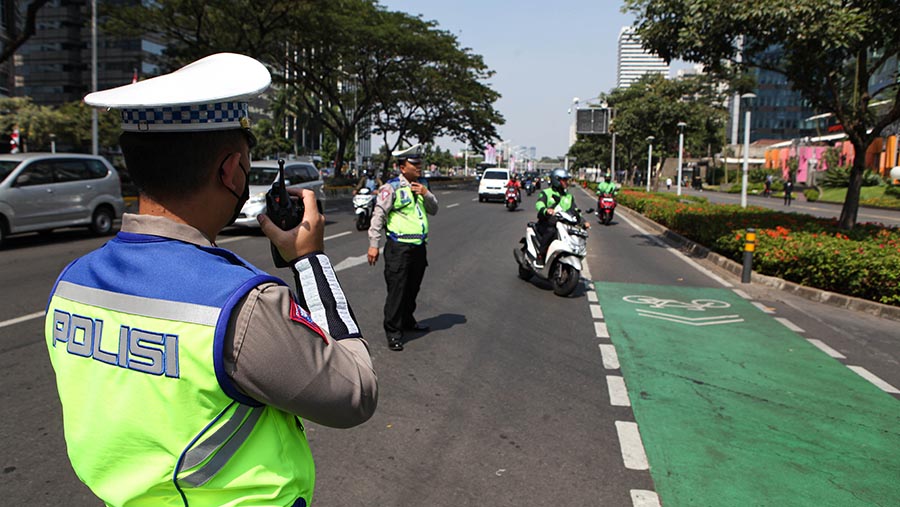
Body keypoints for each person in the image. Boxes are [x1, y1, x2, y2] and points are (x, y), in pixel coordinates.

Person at [45, 53, 377, 507]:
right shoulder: (244, 305)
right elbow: (355, 392)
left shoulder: (71, 283)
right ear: (231, 171)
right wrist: (309, 261)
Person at [367, 144, 439, 351]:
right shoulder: (391, 188)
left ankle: (408, 320)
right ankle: (393, 332)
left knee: (412, 288)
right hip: (398, 248)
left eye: (420, 163)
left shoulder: (422, 185)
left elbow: (434, 210)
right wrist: (374, 245)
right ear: (402, 167)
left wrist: (426, 194)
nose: (419, 167)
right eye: (414, 164)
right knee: (397, 291)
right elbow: (378, 216)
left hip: (418, 247)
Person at [535, 168, 587, 265]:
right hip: (546, 223)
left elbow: (575, 210)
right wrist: (546, 210)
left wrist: (583, 221)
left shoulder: (569, 196)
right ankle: (541, 254)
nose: (567, 182)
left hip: (563, 225)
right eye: (564, 180)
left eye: (567, 180)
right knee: (551, 231)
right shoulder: (546, 192)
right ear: (556, 180)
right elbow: (539, 204)